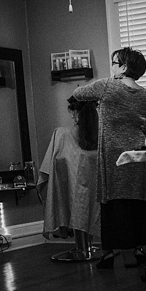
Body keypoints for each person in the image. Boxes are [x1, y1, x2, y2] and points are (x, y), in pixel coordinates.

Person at [71, 48, 146, 269]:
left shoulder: (107, 86)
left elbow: (78, 95)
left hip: (113, 156)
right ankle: (139, 249)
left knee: (113, 203)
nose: (111, 67)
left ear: (124, 67)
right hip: (137, 156)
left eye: (114, 63)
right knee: (138, 200)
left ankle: (109, 252)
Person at [36, 96, 100, 261]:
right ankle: (88, 245)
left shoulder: (61, 134)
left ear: (76, 113)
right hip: (95, 194)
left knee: (73, 195)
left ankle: (82, 247)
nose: (71, 116)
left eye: (72, 112)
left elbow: (46, 171)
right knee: (84, 198)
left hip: (71, 192)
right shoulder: (101, 136)